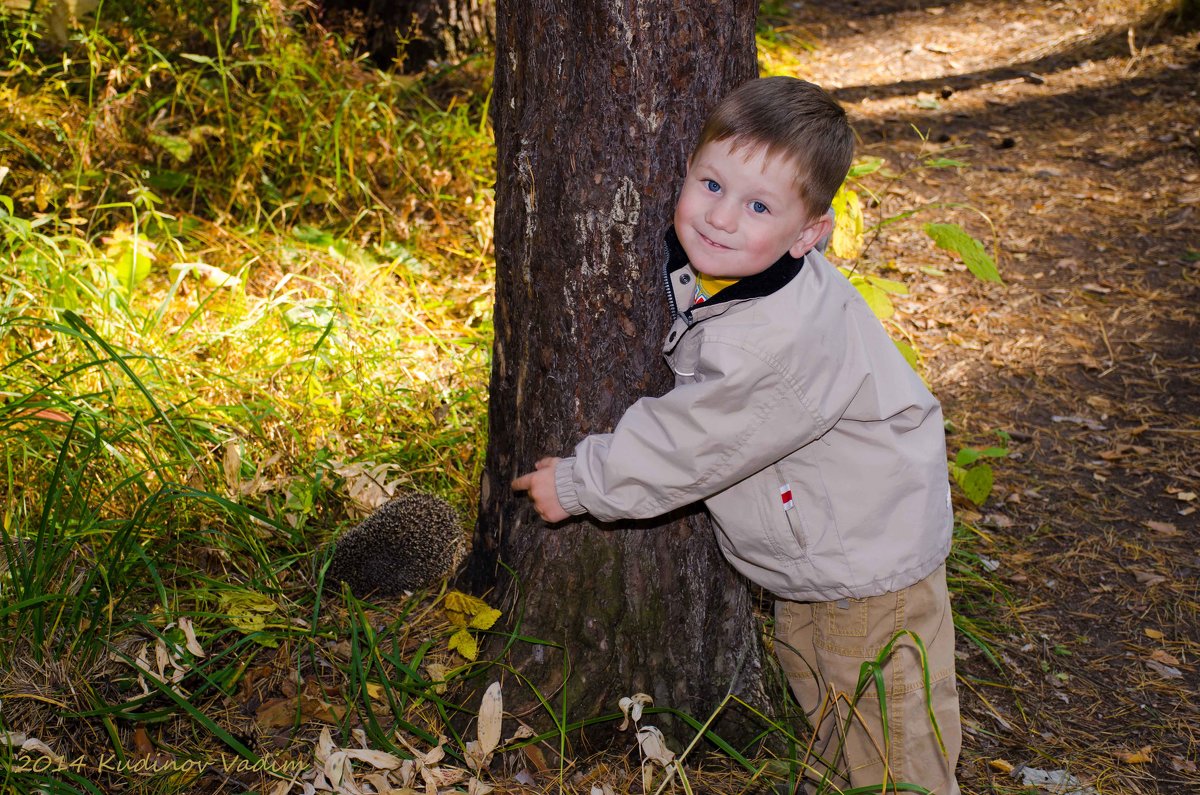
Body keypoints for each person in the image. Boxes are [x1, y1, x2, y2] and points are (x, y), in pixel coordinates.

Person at [511, 76, 961, 794]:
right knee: (830, 704)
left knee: (890, 741)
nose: (721, 217)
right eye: (711, 184)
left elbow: (689, 441)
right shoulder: (748, 276)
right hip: (828, 550)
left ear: (810, 234)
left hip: (870, 566)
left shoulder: (774, 344)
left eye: (758, 205)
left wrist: (577, 482)